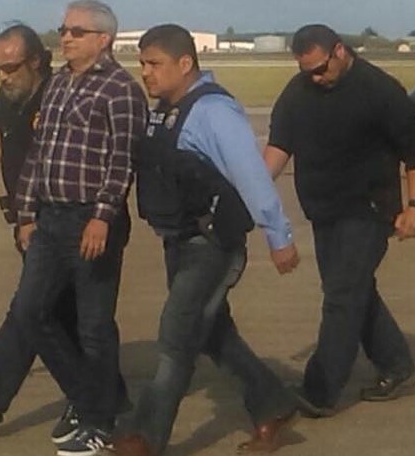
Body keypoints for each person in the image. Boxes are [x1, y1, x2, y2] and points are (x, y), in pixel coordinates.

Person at [113, 24, 301, 456]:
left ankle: (144, 438)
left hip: (212, 245)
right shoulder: (164, 112)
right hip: (178, 241)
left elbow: (252, 177)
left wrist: (279, 236)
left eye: (154, 63)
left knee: (176, 338)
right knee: (214, 335)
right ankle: (273, 405)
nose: (145, 72)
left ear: (185, 63)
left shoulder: (214, 113)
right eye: (142, 63)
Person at [263, 24, 415, 417]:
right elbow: (278, 147)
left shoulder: (380, 89)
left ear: (339, 51)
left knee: (341, 296)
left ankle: (319, 392)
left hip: (369, 209)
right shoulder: (298, 91)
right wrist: (250, 190)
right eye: (306, 71)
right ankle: (396, 364)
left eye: (320, 69)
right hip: (324, 210)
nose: (315, 78)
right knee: (353, 291)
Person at [0, 24, 89, 442]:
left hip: (58, 223)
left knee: (31, 311)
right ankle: (104, 397)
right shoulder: (7, 98)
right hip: (28, 225)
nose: (2, 77)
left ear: (36, 61)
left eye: (10, 68)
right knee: (55, 316)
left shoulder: (61, 97)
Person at [12, 2, 147, 455]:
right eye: (63, 29)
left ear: (103, 39)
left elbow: (122, 161)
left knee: (93, 326)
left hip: (91, 219)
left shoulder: (121, 90)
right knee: (30, 312)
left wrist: (102, 216)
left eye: (76, 31)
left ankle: (99, 423)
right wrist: (26, 214)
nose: (65, 37)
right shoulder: (56, 84)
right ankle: (93, 401)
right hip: (50, 219)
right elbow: (39, 153)